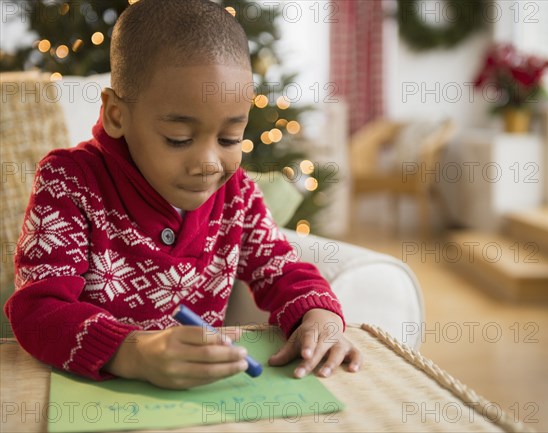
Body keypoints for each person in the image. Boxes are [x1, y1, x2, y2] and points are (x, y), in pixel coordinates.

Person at [4, 0, 361, 390]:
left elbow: (283, 270)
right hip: (90, 397)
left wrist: (319, 316)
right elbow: (37, 310)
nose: (209, 163)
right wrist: (132, 352)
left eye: (229, 138)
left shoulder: (236, 194)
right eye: (179, 139)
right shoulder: (69, 181)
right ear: (117, 115)